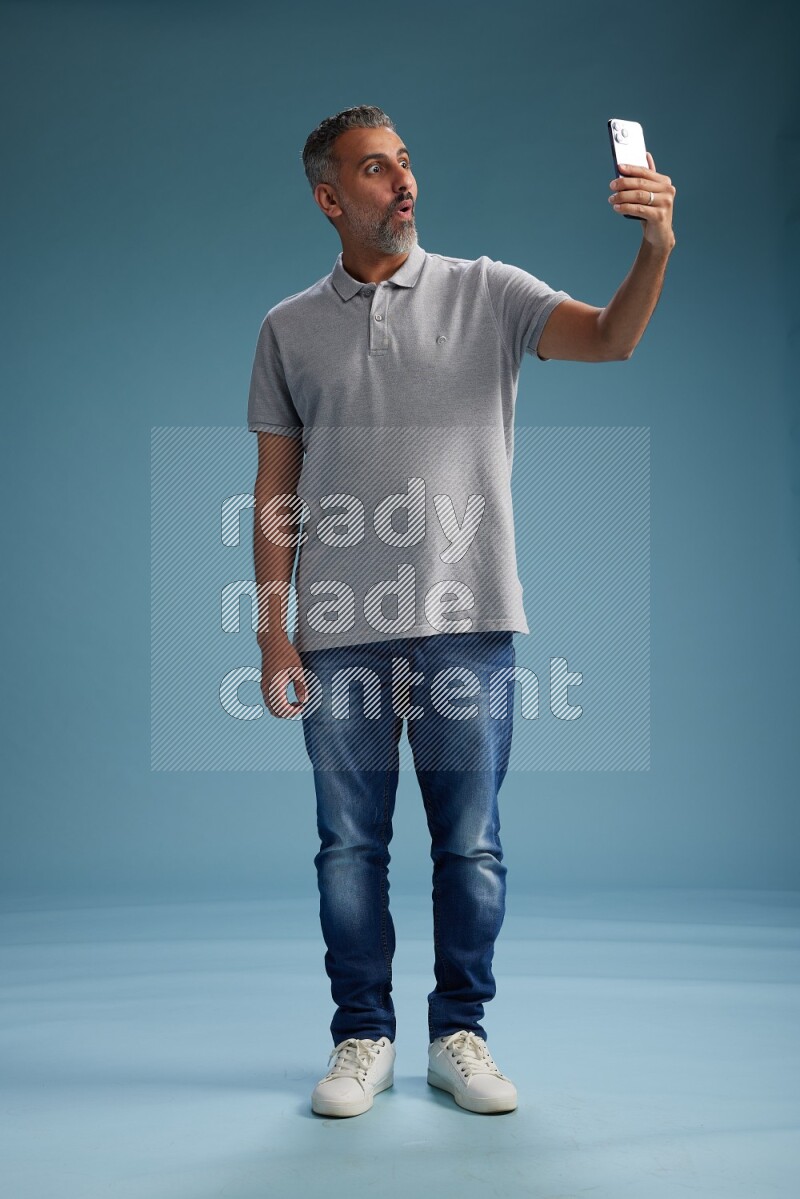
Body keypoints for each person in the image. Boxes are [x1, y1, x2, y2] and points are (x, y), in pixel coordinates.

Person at [248, 105, 676, 1118]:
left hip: (470, 617)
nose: (399, 180)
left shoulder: (490, 292)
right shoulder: (285, 328)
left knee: (469, 841)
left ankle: (457, 1032)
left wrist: (655, 244)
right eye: (371, 169)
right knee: (347, 844)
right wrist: (272, 630)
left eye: (403, 160)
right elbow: (275, 489)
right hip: (339, 629)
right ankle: (362, 1037)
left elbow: (612, 340)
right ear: (328, 197)